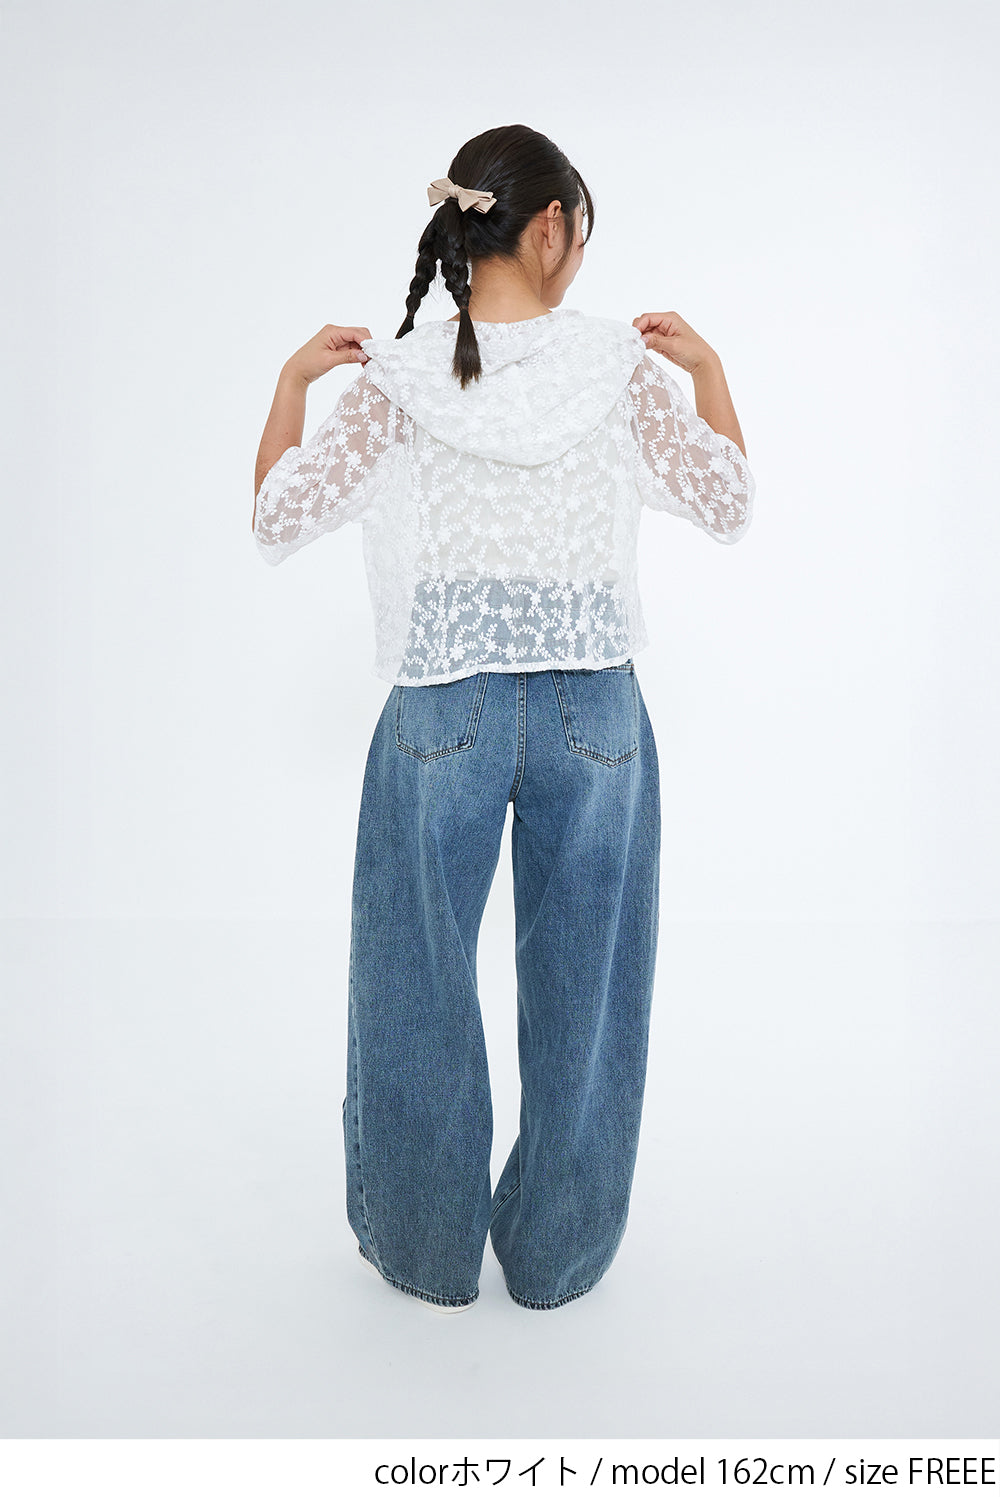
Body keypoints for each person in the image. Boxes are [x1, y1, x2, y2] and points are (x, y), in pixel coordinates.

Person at [252, 124, 755, 1316]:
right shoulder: (620, 369)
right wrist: (710, 372)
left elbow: (277, 519)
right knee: (590, 989)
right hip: (596, 707)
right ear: (549, 228)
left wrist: (290, 385)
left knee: (412, 978)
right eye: (581, 231)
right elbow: (728, 503)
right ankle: (557, 1258)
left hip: (444, 698)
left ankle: (425, 1252)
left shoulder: (395, 378)